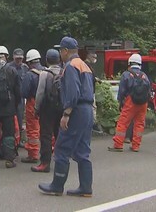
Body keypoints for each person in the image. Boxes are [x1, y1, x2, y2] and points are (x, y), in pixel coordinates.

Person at [39, 37, 94, 197]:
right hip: (88, 110)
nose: (60, 53)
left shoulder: (71, 66)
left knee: (62, 148)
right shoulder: (85, 65)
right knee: (83, 150)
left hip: (76, 110)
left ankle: (56, 186)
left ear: (65, 51)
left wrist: (66, 114)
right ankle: (86, 188)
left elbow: (73, 92)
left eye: (60, 50)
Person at [108, 53, 151, 152]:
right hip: (143, 103)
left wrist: (120, 102)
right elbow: (149, 90)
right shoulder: (144, 75)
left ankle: (118, 144)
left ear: (129, 63)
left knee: (123, 123)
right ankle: (136, 146)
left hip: (130, 102)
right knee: (139, 124)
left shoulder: (127, 74)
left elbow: (122, 90)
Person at [31, 49, 64, 173]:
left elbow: (40, 93)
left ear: (47, 60)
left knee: (46, 135)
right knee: (59, 134)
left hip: (47, 109)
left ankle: (45, 163)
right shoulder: (63, 72)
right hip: (61, 108)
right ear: (59, 60)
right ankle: (61, 160)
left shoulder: (45, 74)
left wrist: (36, 109)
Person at [21, 49, 43, 163]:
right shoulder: (46, 71)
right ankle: (50, 151)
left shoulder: (29, 75)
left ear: (29, 62)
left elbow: (24, 92)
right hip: (46, 103)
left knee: (33, 129)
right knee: (46, 128)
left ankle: (33, 154)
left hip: (33, 103)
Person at [7, 48, 29, 146]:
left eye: (20, 59)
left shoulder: (25, 68)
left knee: (20, 120)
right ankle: (11, 140)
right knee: (10, 120)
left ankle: (19, 140)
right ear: (13, 57)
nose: (19, 61)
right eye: (17, 59)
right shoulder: (8, 67)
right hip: (10, 98)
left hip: (21, 99)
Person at [84, 51, 103, 133]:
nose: (95, 59)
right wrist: (95, 79)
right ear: (89, 56)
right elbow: (89, 77)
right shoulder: (86, 65)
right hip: (90, 91)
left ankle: (91, 124)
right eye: (94, 57)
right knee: (92, 108)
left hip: (90, 90)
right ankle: (92, 125)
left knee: (92, 107)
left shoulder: (89, 66)